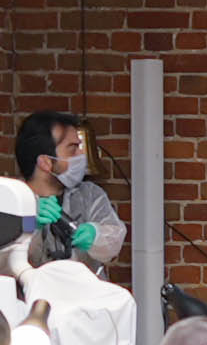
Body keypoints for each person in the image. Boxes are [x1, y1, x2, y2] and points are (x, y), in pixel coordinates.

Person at [11, 108, 125, 275]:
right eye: (73, 148)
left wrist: (96, 235)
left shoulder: (88, 195)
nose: (81, 154)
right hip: (30, 291)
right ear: (45, 162)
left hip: (83, 290)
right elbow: (0, 259)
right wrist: (30, 226)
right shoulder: (12, 200)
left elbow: (114, 239)